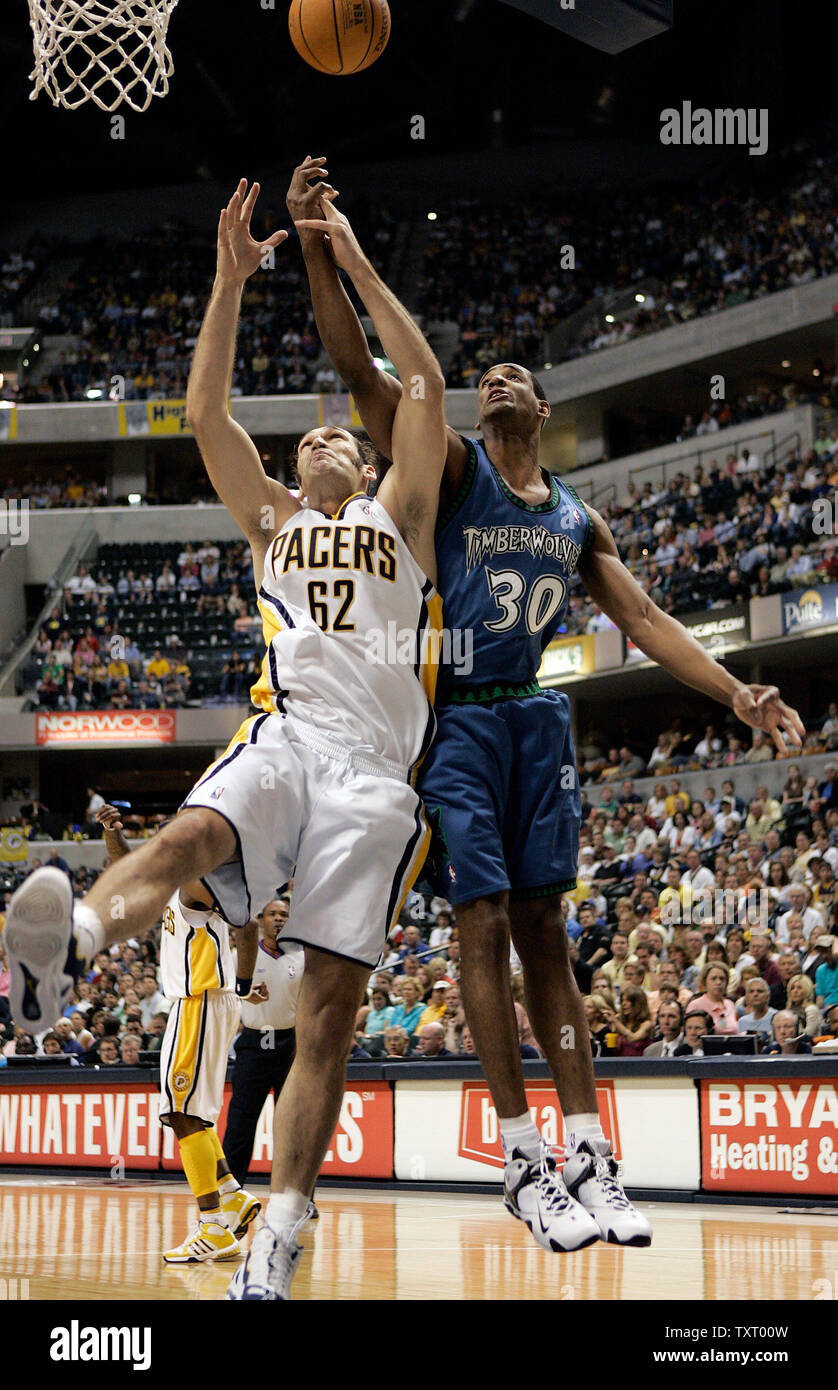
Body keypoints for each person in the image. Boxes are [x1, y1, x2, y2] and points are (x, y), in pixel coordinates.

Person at [288, 157, 804, 1252]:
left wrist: (736, 690)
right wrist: (321, 247)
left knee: (545, 933)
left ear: (547, 404)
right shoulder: (455, 465)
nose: (495, 379)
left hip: (536, 718)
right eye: (487, 373)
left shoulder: (575, 517)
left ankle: (589, 1153)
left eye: (516, 371)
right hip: (459, 712)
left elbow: (652, 622)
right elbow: (356, 363)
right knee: (477, 920)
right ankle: (520, 1158)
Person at [4, 178, 448, 1305]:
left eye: (342, 432)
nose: (320, 436)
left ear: (369, 460)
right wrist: (225, 287)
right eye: (308, 435)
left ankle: (280, 1230)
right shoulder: (272, 525)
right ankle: (69, 943)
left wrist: (341, 247)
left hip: (376, 779)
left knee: (333, 1016)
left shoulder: (400, 515)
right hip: (290, 736)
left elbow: (426, 384)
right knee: (195, 829)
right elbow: (206, 417)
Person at [95, 805, 261, 1263]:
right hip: (200, 1002)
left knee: (181, 1111)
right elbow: (126, 871)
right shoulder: (180, 880)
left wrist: (243, 985)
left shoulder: (197, 882)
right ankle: (231, 1196)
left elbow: (248, 927)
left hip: (201, 1000)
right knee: (190, 1112)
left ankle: (213, 1228)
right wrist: (113, 833)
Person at [221, 899, 308, 1193]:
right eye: (273, 914)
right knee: (240, 1123)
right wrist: (245, 995)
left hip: (290, 1044)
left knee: (295, 1125)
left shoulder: (300, 956)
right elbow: (224, 993)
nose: (279, 919)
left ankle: (298, 1196)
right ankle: (230, 1193)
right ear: (261, 919)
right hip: (254, 1042)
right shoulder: (240, 955)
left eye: (285, 914)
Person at [689, 962, 739, 1034]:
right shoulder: (695, 1005)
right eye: (713, 978)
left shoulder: (730, 1004)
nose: (718, 982)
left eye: (722, 979)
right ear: (705, 982)